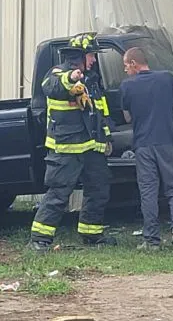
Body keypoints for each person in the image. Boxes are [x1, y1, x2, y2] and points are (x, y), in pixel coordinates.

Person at [29, 33, 115, 250]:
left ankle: (91, 234)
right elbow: (51, 86)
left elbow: (99, 112)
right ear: (79, 56)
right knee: (59, 193)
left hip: (91, 147)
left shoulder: (92, 80)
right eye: (92, 55)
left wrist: (105, 139)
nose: (94, 60)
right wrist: (71, 78)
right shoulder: (59, 74)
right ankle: (39, 240)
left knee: (99, 188)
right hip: (66, 148)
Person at [120, 46, 173, 251]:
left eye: (125, 66)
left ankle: (151, 240)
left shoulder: (126, 87)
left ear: (134, 64)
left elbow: (127, 117)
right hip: (167, 142)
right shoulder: (166, 78)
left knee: (148, 191)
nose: (125, 70)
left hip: (143, 145)